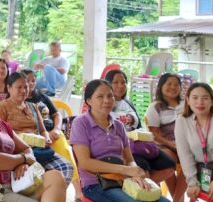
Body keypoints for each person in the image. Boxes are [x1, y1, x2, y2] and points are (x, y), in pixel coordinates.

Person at [0, 78, 66, 201]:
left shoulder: (0, 124)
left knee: (56, 177)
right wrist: (22, 159)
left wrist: (23, 163)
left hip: (12, 186)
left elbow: (26, 148)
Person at [71, 79, 170, 202]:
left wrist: (135, 173)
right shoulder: (80, 123)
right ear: (89, 101)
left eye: (110, 96)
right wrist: (124, 169)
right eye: (100, 97)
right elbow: (85, 163)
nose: (106, 100)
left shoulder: (118, 125)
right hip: (96, 184)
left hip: (122, 181)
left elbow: (129, 160)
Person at [0, 73, 74, 189]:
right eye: (19, 87)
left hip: (39, 150)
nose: (23, 90)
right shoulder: (2, 107)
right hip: (18, 152)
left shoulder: (33, 106)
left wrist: (46, 137)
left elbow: (42, 130)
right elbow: (0, 135)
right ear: (9, 88)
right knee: (33, 179)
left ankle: (48, 195)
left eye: (26, 87)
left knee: (67, 168)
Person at [105, 70, 175, 185]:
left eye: (123, 82)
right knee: (143, 170)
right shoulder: (105, 104)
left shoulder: (128, 103)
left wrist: (131, 120)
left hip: (138, 145)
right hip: (122, 148)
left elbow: (138, 125)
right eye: (116, 82)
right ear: (107, 84)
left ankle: (138, 187)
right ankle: (141, 187)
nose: (121, 86)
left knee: (169, 166)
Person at [145, 72, 186, 201]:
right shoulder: (155, 107)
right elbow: (155, 134)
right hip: (165, 144)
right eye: (169, 84)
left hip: (187, 144)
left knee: (190, 160)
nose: (173, 87)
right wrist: (172, 145)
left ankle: (176, 198)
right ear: (161, 87)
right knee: (168, 159)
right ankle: (178, 199)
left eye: (176, 85)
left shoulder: (187, 104)